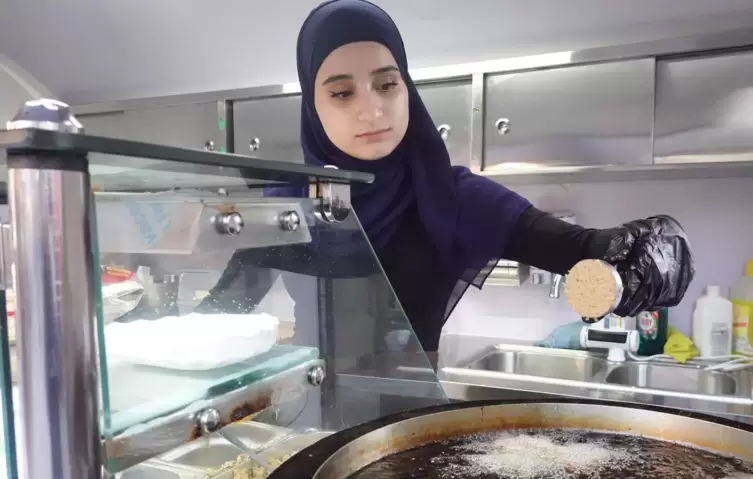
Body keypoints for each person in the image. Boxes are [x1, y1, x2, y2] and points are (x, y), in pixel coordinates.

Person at [223, 0, 695, 368]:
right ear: (313, 105)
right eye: (342, 93)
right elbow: (220, 314)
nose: (372, 110)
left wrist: (650, 256)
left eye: (387, 85)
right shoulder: (287, 208)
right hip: (305, 422)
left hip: (405, 431)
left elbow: (595, 248)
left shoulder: (452, 199)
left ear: (407, 88)